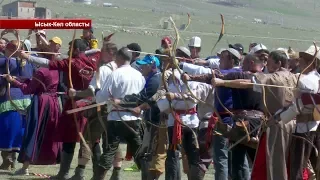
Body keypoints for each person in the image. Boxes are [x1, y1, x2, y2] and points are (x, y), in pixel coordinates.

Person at [211, 50, 298, 180]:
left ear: (278, 63)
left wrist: (222, 83)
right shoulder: (296, 77)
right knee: (290, 161)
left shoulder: (272, 78)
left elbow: (247, 82)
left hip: (277, 125)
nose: (266, 66)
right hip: (294, 125)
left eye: (269, 63)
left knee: (274, 163)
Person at [20, 39, 98, 180]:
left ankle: (64, 174)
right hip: (91, 105)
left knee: (69, 139)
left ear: (75, 50)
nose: (67, 50)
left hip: (74, 104)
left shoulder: (70, 63)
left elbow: (48, 63)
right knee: (92, 140)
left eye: (70, 47)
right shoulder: (93, 61)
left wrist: (27, 57)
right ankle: (92, 175)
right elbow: (96, 51)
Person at [68, 42, 123, 180]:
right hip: (117, 111)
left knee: (88, 139)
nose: (100, 55)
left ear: (110, 53)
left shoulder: (104, 70)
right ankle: (116, 174)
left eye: (102, 52)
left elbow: (92, 91)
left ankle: (79, 173)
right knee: (113, 141)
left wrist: (76, 93)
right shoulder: (123, 69)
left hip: (102, 110)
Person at [92, 47, 145, 180]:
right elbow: (143, 97)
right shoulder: (139, 75)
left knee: (109, 152)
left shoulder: (115, 74)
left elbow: (101, 98)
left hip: (116, 119)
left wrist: (97, 91)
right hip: (134, 119)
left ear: (120, 58)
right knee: (139, 153)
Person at [5, 51, 61, 176]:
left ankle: (25, 168)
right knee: (50, 132)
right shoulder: (57, 70)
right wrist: (23, 79)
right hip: (53, 102)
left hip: (41, 103)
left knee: (33, 132)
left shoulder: (41, 71)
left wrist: (13, 81)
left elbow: (28, 89)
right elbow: (36, 83)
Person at [210, 54, 265, 179]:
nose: (241, 66)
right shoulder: (266, 77)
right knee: (255, 161)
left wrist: (223, 82)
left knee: (238, 161)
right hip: (259, 124)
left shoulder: (241, 75)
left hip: (244, 123)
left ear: (251, 63)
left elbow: (247, 82)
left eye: (244, 63)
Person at [122, 55, 162, 180]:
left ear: (152, 66)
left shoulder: (155, 80)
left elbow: (142, 98)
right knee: (144, 153)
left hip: (155, 122)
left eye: (144, 65)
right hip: (151, 121)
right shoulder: (151, 78)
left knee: (146, 154)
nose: (141, 67)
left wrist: (123, 101)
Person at [0, 39, 32, 171]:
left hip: (10, 98)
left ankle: (8, 158)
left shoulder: (8, 61)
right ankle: (12, 159)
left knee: (7, 129)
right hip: (25, 98)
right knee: (18, 130)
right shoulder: (30, 62)